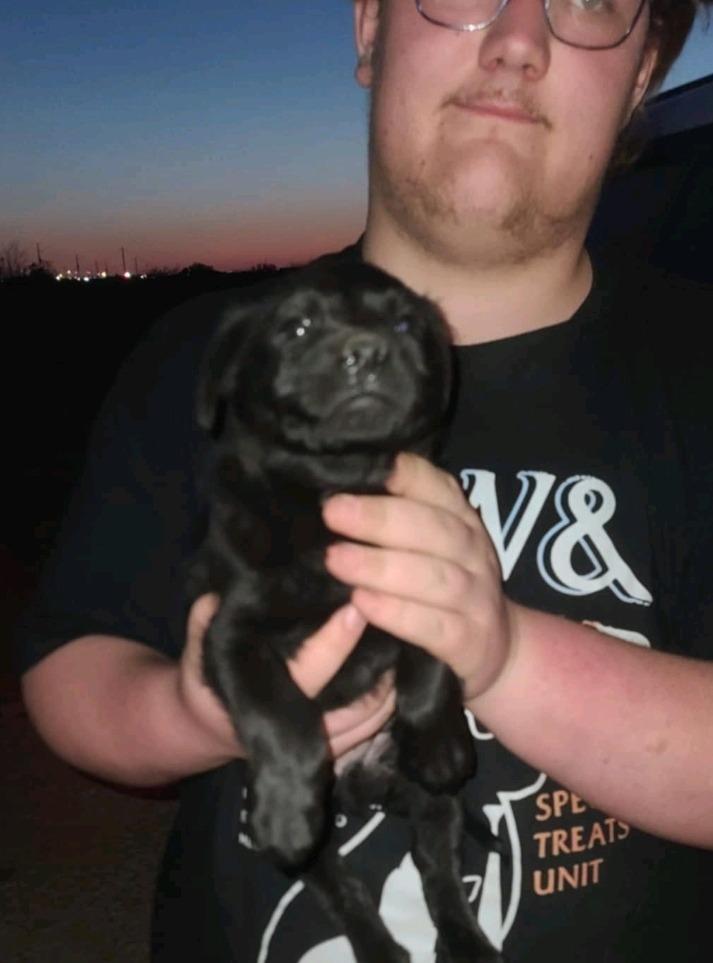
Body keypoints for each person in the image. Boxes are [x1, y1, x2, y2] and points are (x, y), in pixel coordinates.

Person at [15, 0, 713, 959]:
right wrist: (188, 712)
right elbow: (68, 668)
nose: (518, 40)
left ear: (642, 77)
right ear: (367, 29)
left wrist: (505, 655)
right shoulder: (203, 358)